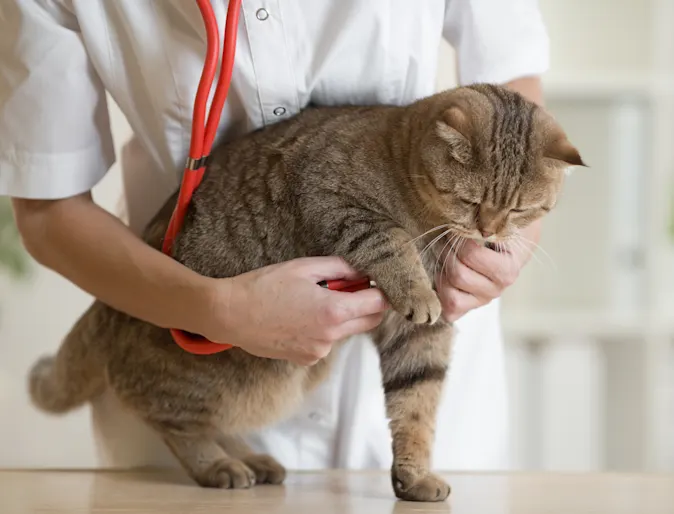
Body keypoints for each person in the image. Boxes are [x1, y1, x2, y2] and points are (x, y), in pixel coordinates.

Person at [0, 0, 549, 470]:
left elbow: (515, 74)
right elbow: (49, 207)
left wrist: (511, 245)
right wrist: (214, 308)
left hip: (428, 345)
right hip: (188, 334)